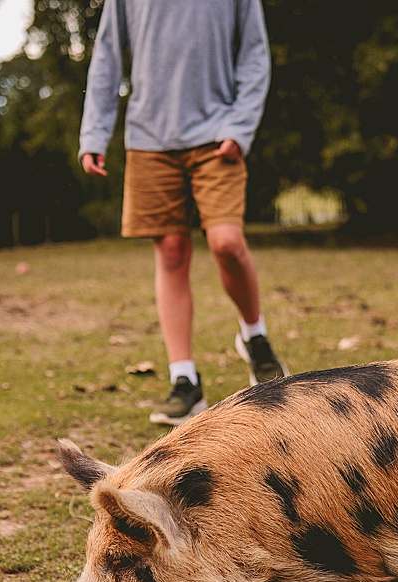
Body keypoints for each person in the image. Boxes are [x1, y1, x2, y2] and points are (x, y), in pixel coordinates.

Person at [79, 0, 287, 427]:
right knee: (171, 252)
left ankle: (255, 338)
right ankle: (185, 381)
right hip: (150, 138)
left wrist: (239, 126)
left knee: (226, 243)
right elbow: (107, 57)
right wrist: (95, 132)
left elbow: (254, 55)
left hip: (218, 135)